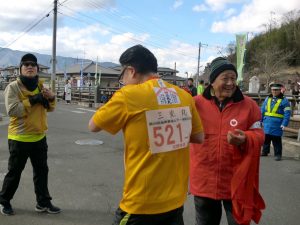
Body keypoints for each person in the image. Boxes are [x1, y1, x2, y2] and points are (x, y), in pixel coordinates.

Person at [88, 45, 204, 225]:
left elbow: (93, 125)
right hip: (175, 201)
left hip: (141, 203)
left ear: (131, 71)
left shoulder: (128, 95)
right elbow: (198, 137)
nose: (123, 81)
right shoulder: (184, 96)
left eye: (122, 75)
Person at [190, 57, 265, 225]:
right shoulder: (195, 104)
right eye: (225, 78)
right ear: (212, 81)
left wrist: (246, 138)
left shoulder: (250, 105)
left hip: (237, 181)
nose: (231, 83)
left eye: (233, 78)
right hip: (204, 180)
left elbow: (259, 134)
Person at [0, 53, 61, 216]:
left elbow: (51, 108)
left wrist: (52, 97)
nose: (30, 66)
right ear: (20, 69)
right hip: (19, 138)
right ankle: (4, 200)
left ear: (37, 69)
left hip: (39, 137)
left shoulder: (42, 86)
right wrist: (34, 99)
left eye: (33, 64)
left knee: (42, 172)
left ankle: (43, 202)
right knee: (14, 173)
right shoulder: (13, 87)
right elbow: (12, 110)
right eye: (26, 64)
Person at [261, 83, 291, 161]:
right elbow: (262, 110)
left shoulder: (284, 100)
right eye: (273, 90)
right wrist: (260, 120)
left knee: (276, 140)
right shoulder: (268, 98)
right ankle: (265, 151)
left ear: (280, 90)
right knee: (266, 138)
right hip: (267, 123)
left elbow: (287, 113)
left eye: (276, 90)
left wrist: (284, 124)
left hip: (277, 124)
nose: (274, 91)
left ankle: (278, 154)